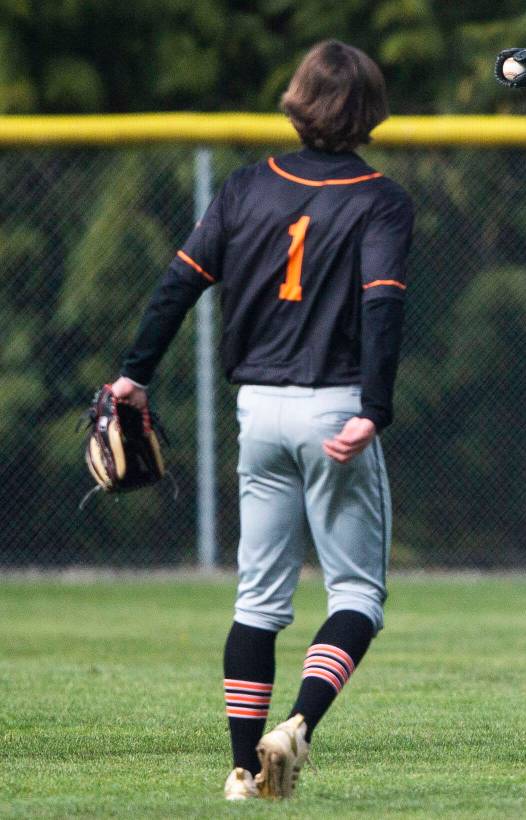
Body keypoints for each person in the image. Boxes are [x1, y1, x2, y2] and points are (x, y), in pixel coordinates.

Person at [111, 40, 414, 798]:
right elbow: (383, 308)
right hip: (335, 408)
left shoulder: (248, 187)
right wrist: (375, 409)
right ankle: (297, 727)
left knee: (258, 602)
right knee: (357, 599)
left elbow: (175, 287)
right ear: (369, 112)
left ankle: (244, 773)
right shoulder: (381, 198)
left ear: (298, 100)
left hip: (259, 411)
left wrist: (133, 376)